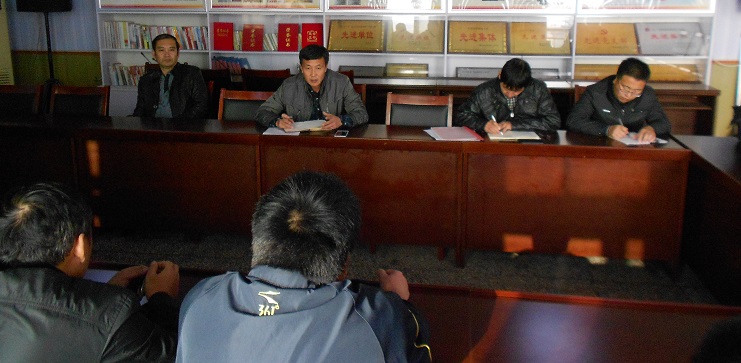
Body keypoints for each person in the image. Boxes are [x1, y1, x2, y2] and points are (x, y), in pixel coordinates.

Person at [176, 170, 431, 363]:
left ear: (258, 240)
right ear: (344, 265)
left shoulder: (201, 297)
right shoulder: (379, 318)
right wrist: (399, 302)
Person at [0, 182, 181, 362]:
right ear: (80, 246)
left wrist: (102, 299)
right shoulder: (112, 317)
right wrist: (161, 299)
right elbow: (173, 355)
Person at [255, 44, 368, 130]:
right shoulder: (289, 86)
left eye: (318, 68)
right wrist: (277, 122)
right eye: (308, 68)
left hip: (331, 140)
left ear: (325, 67)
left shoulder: (341, 82)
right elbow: (262, 112)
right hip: (300, 142)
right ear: (301, 68)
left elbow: (361, 113)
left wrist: (341, 121)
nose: (313, 74)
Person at [566, 57, 671, 142]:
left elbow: (664, 123)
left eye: (637, 91)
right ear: (616, 80)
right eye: (625, 88)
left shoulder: (648, 95)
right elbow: (574, 121)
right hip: (600, 145)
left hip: (635, 147)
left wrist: (651, 129)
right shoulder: (596, 92)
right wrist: (606, 130)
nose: (628, 95)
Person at [454, 57, 561, 135]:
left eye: (516, 92)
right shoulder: (484, 91)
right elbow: (461, 116)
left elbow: (553, 121)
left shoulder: (538, 89)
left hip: (531, 145)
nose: (510, 94)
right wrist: (483, 124)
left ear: (527, 85)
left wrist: (515, 125)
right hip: (493, 144)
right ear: (500, 75)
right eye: (506, 89)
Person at [132, 33, 209, 118]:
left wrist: (179, 122)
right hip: (152, 125)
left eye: (171, 50)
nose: (167, 55)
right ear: (154, 54)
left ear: (178, 53)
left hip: (182, 124)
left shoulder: (191, 73)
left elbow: (201, 105)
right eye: (161, 50)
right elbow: (140, 110)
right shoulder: (146, 80)